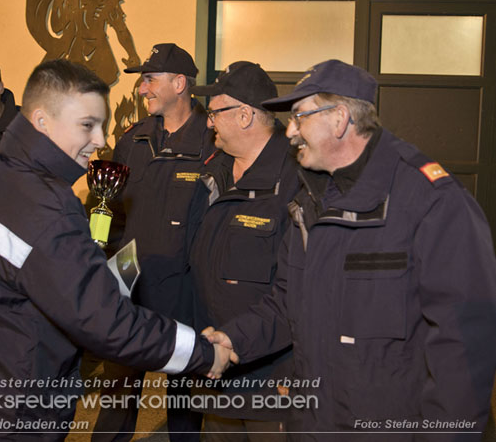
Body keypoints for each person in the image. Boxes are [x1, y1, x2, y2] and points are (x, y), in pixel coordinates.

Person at [0, 59, 230, 442]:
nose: (100, 140)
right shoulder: (45, 207)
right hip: (4, 416)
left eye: (102, 126)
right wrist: (204, 354)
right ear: (42, 120)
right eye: (87, 125)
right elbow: (107, 322)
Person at [205, 59, 496, 441]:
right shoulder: (309, 199)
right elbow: (287, 301)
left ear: (339, 118)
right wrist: (234, 339)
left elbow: (463, 350)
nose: (289, 131)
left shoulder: (431, 203)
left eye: (299, 117)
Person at [91, 43, 216, 442]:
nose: (141, 88)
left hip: (184, 291)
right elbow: (108, 207)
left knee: (183, 406)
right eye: (142, 80)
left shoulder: (212, 144)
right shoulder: (133, 140)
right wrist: (97, 252)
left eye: (150, 79)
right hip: (129, 287)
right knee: (116, 395)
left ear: (179, 83)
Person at [186, 61, 298, 441]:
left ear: (247, 115)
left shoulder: (297, 182)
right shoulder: (213, 172)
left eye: (215, 111)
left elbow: (306, 294)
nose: (207, 121)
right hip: (216, 368)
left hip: (273, 380)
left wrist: (293, 374)